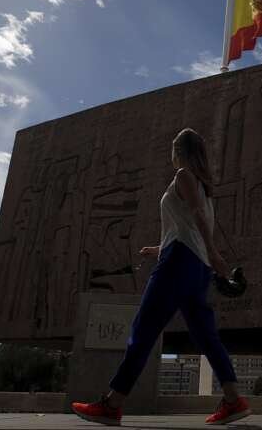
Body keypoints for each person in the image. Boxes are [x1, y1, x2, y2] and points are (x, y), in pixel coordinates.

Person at [71, 128, 251, 426]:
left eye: (172, 148)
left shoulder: (183, 175)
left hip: (179, 262)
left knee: (143, 330)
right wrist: (160, 247)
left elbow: (195, 217)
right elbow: (187, 225)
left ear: (179, 150)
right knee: (206, 336)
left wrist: (214, 252)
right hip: (196, 267)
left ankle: (112, 404)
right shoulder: (204, 187)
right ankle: (233, 400)